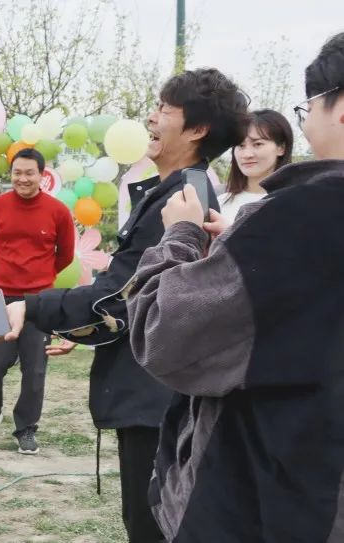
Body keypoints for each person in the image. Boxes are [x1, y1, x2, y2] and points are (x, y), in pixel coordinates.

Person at [0, 69, 249, 542]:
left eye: (165, 110)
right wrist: (80, 330)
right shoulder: (177, 190)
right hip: (153, 389)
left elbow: (120, 292)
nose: (151, 118)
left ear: (197, 129)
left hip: (156, 397)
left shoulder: (182, 199)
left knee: (151, 526)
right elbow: (137, 300)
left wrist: (32, 307)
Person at [126, 32, 344, 542]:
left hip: (274, 502)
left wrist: (180, 237)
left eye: (308, 106)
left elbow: (164, 332)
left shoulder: (300, 217)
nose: (152, 121)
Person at [0, 147, 75, 455]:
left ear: (42, 175)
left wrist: (39, 277)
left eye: (29, 173)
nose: (23, 179)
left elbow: (65, 255)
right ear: (10, 174)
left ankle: (26, 428)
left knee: (35, 369)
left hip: (40, 300)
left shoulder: (57, 211)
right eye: (17, 172)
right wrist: (7, 275)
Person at [218, 108, 293, 222]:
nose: (247, 155)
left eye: (257, 144)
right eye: (241, 146)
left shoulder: (294, 203)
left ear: (281, 148)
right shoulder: (220, 202)